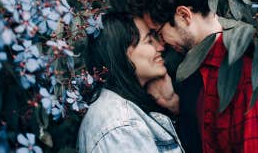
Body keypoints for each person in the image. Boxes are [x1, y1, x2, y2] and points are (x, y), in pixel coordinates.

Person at [127, 0, 258, 153]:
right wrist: (175, 106)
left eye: (158, 32)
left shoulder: (247, 76)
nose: (162, 44)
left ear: (184, 15)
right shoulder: (192, 72)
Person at [77, 12, 183, 153]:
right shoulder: (121, 128)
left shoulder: (123, 112)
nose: (160, 47)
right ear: (122, 53)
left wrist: (172, 104)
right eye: (149, 41)